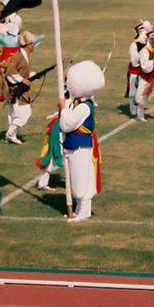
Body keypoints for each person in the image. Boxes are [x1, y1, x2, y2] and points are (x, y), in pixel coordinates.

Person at [58, 60, 106, 222]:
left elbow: (66, 124)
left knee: (81, 177)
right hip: (75, 144)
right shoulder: (81, 103)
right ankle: (79, 209)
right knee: (76, 176)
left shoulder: (84, 106)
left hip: (80, 145)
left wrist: (63, 109)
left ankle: (84, 210)